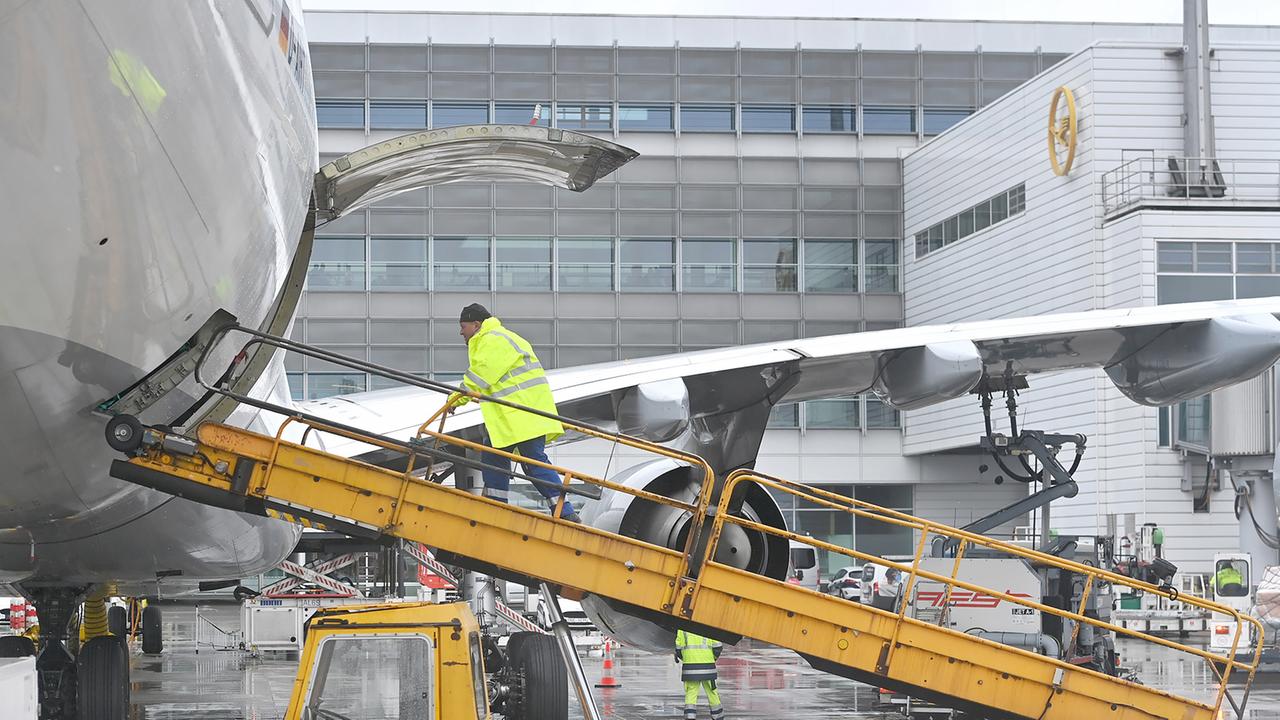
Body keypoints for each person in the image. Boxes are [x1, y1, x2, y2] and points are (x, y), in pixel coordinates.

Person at [448, 303, 580, 522]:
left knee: (531, 462)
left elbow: (480, 377)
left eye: (463, 326)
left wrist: (454, 400)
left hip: (520, 416)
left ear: (476, 324)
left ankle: (563, 511)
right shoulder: (503, 337)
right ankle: (499, 507)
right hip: (517, 416)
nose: (461, 332)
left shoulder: (493, 339)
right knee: (496, 458)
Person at [675, 629, 725, 720]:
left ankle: (690, 717)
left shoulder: (682, 628)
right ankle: (718, 717)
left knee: (691, 693)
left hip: (689, 668)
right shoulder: (708, 625)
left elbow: (678, 649)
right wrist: (712, 658)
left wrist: (687, 659)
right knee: (712, 692)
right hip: (708, 667)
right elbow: (718, 646)